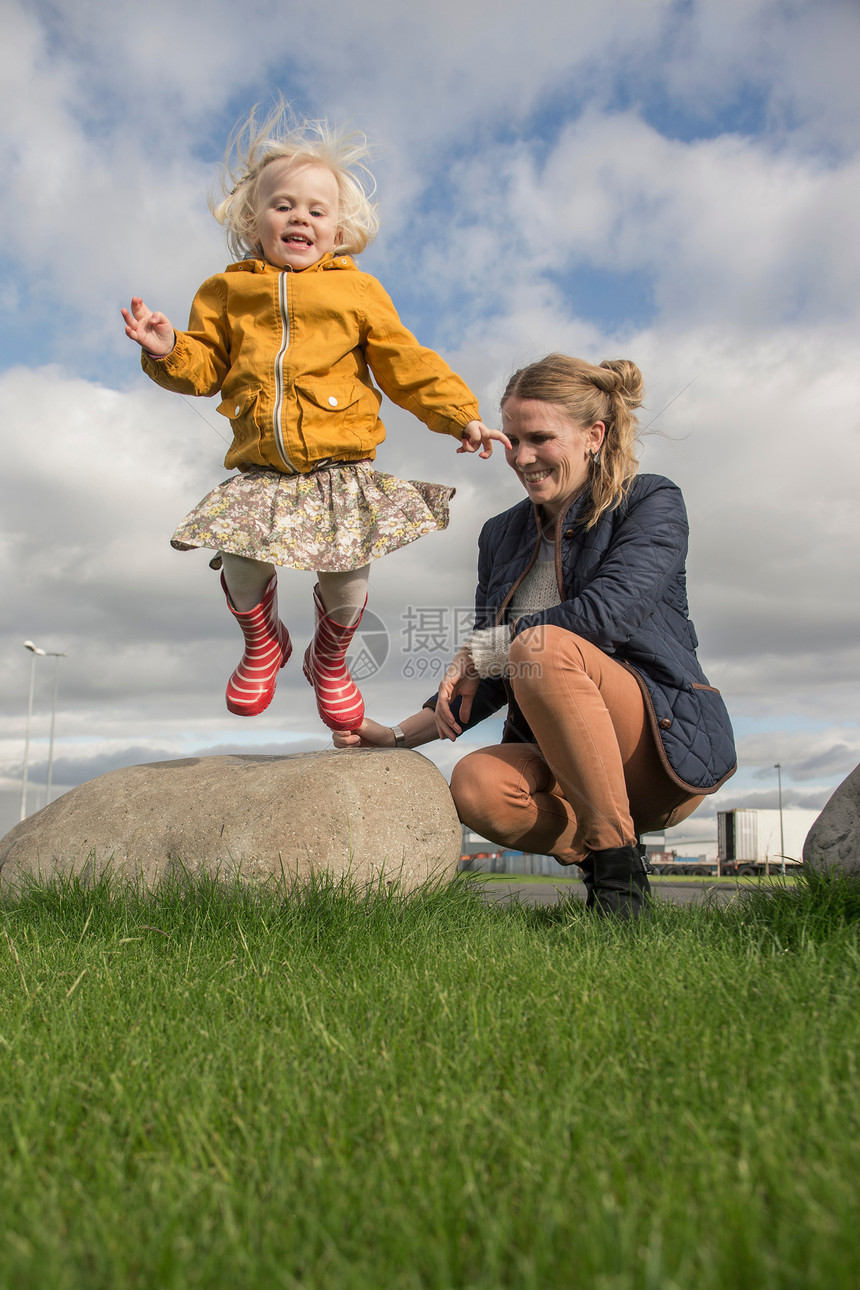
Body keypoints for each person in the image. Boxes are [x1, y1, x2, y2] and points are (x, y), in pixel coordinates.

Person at [122, 101, 507, 732]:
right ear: (254, 221)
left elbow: (404, 361)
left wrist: (460, 415)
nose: (299, 216)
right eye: (283, 205)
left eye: (316, 210)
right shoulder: (225, 292)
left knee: (346, 577)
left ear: (338, 231)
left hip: (339, 469)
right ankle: (263, 643)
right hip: (262, 471)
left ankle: (330, 661)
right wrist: (168, 350)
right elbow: (204, 367)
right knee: (241, 561)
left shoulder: (355, 290)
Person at [334, 353, 737, 918]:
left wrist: (485, 650)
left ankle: (622, 900)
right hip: (562, 754)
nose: (522, 458)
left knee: (538, 647)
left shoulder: (649, 501)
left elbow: (607, 614)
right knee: (476, 785)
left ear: (594, 435)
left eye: (540, 438)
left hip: (657, 748)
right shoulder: (500, 534)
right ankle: (608, 859)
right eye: (512, 440)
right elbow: (490, 674)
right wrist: (399, 737)